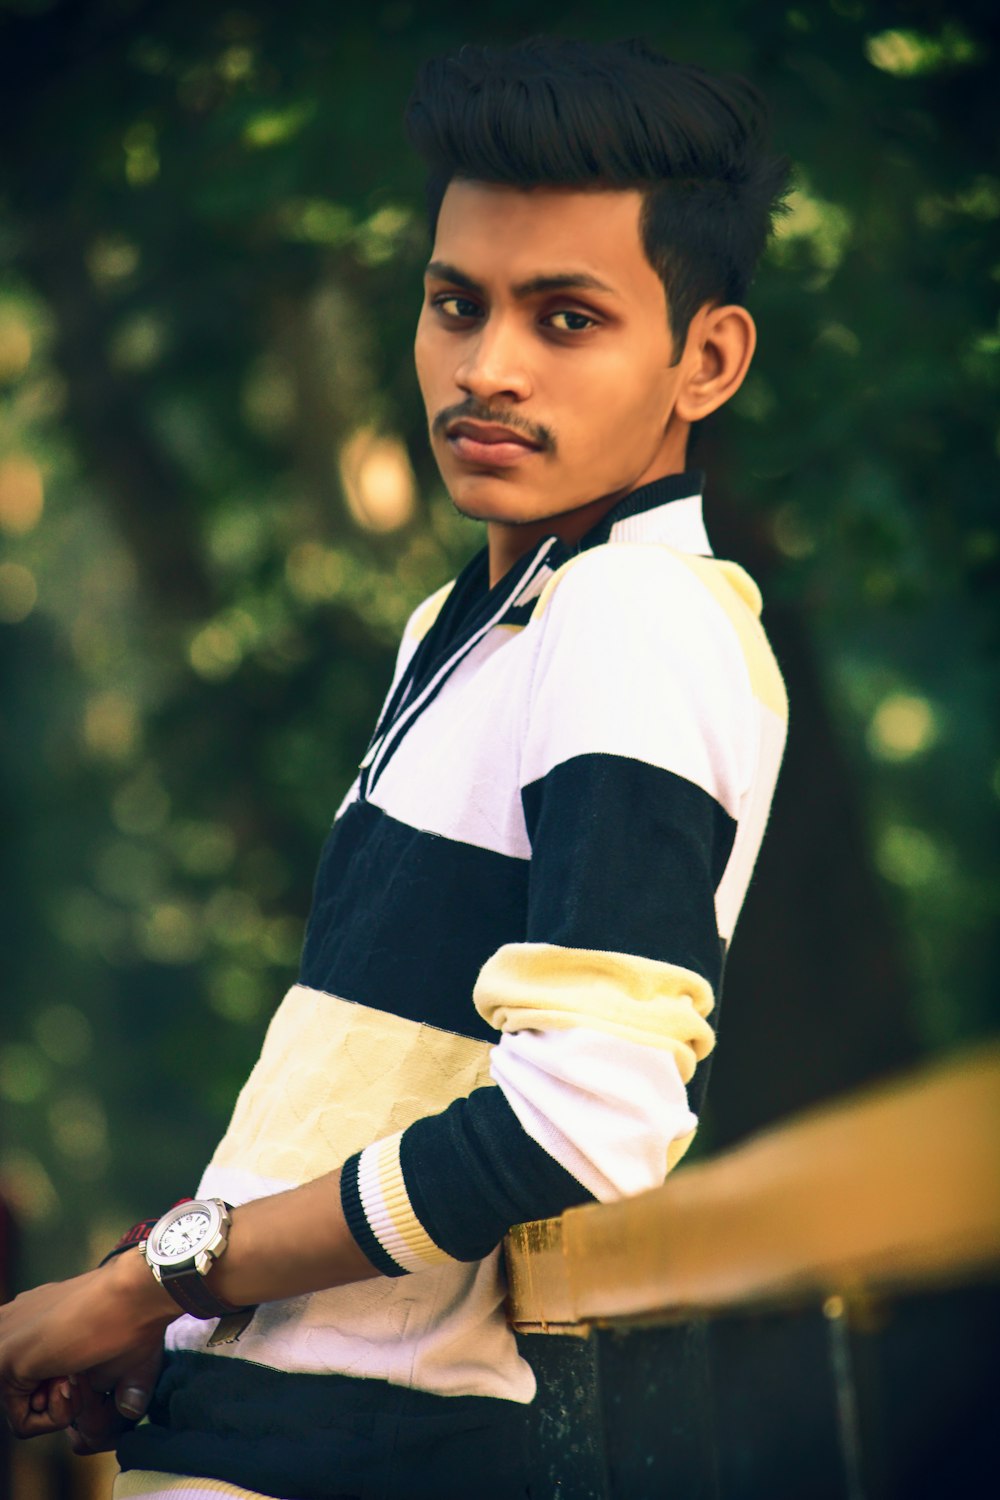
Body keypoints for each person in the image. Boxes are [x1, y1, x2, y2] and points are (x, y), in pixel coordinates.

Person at [0, 35, 790, 1500]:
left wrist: (151, 1286)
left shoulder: (633, 616)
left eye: (566, 318)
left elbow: (589, 1110)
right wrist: (169, 1296)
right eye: (455, 305)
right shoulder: (477, 616)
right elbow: (376, 1080)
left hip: (375, 1453)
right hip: (277, 1427)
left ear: (707, 359)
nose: (486, 369)